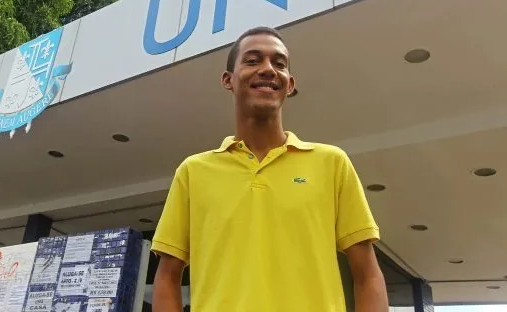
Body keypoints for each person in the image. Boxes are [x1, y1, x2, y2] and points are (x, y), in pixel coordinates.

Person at [151, 26, 388, 311]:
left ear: (289, 84)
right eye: (252, 61)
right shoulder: (193, 172)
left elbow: (367, 275)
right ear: (228, 80)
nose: (268, 69)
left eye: (279, 64)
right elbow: (167, 277)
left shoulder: (332, 163)